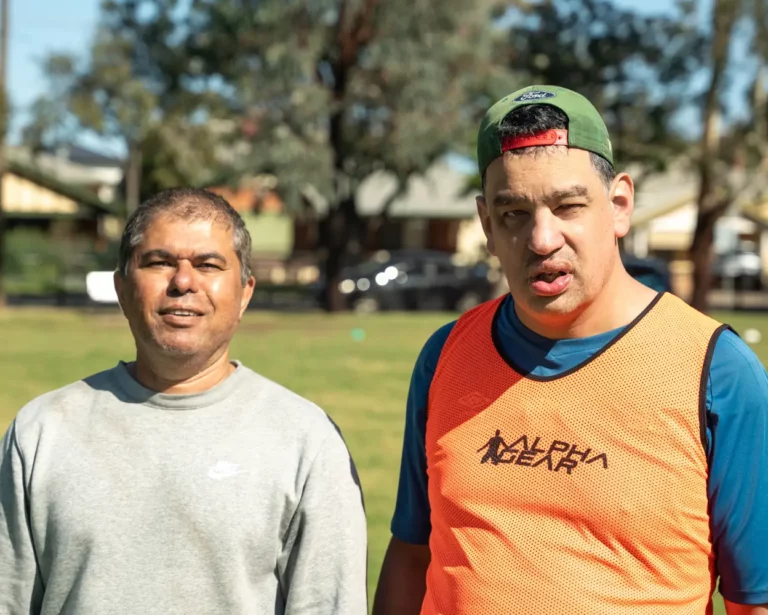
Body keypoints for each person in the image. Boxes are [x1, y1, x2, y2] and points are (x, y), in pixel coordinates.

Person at [372, 85, 768, 614]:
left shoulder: (716, 370)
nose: (542, 238)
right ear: (487, 224)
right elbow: (410, 552)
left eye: (568, 206)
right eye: (513, 213)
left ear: (619, 204)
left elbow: (755, 599)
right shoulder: (446, 355)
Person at [0, 187, 368, 615]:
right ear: (121, 287)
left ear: (245, 291)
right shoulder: (41, 432)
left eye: (208, 264)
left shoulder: (306, 441)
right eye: (159, 262)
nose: (183, 282)